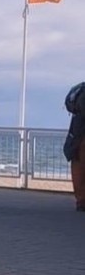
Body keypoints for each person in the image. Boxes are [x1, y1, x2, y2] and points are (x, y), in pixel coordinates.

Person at [63, 83, 85, 212]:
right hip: (81, 138)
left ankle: (81, 201)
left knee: (78, 170)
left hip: (76, 138)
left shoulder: (79, 95)